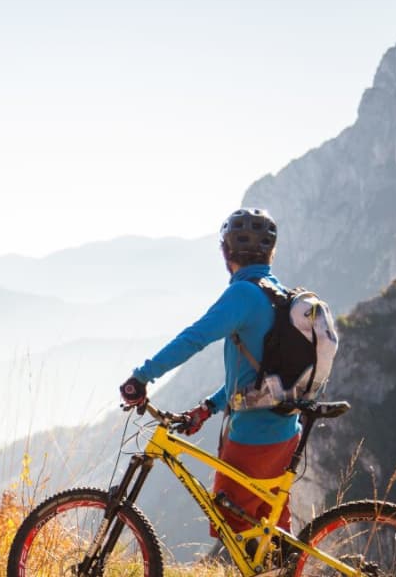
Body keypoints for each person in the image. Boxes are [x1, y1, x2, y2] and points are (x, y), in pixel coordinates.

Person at [119, 208, 300, 546]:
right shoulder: (278, 294)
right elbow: (258, 375)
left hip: (252, 438)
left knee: (236, 532)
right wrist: (208, 408)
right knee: (271, 542)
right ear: (270, 253)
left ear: (225, 252)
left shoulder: (243, 294)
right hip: (285, 433)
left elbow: (194, 338)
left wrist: (141, 377)